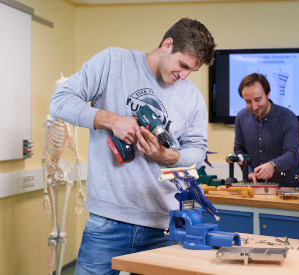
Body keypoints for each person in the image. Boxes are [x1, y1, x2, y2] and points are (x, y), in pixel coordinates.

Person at [49, 17, 216, 274]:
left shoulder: (191, 95)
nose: (183, 76)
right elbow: (60, 102)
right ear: (167, 44)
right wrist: (112, 120)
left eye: (191, 71)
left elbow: (197, 150)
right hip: (107, 222)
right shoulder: (113, 62)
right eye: (182, 65)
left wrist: (168, 155)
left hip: (162, 224)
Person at [234, 73, 299, 187]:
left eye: (258, 99)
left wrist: (273, 165)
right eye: (248, 101)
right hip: (256, 186)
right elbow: (239, 149)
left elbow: (291, 154)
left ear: (268, 94)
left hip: (288, 186)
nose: (254, 106)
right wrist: (249, 170)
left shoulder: (288, 117)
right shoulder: (241, 117)